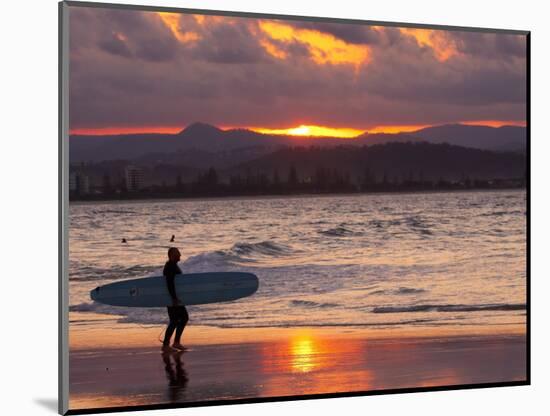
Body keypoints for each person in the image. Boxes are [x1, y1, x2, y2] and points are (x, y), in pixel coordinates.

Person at [162, 247, 189, 351]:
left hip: (175, 298)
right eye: (178, 253)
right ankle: (166, 345)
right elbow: (169, 284)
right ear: (172, 255)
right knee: (176, 320)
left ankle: (175, 343)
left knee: (179, 319)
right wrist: (173, 298)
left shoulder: (173, 265)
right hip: (173, 298)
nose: (180, 255)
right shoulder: (170, 267)